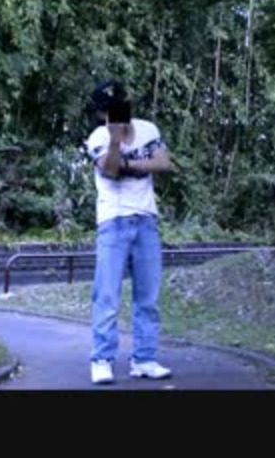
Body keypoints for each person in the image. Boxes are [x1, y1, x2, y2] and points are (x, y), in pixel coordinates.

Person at [83, 79, 175, 384]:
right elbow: (109, 169)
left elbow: (163, 162)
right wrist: (115, 142)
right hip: (113, 221)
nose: (116, 112)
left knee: (148, 298)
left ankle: (144, 359)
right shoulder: (98, 137)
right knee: (107, 296)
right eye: (109, 109)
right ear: (101, 113)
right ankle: (102, 359)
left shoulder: (148, 129)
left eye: (119, 105)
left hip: (146, 219)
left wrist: (128, 163)